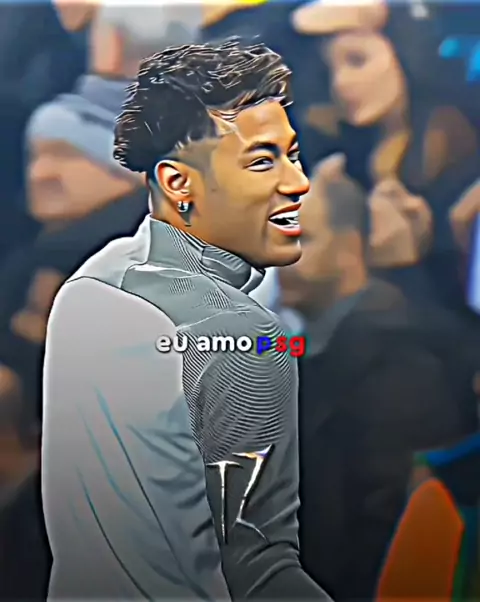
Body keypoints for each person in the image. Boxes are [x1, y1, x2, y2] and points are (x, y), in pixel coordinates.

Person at [41, 39, 331, 600]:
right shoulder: (243, 336)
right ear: (178, 184)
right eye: (262, 161)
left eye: (292, 155)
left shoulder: (88, 283)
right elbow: (262, 574)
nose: (298, 183)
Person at [277, 154, 478, 599]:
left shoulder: (399, 365)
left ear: (350, 248)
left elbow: (383, 531)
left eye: (302, 238)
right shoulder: (317, 347)